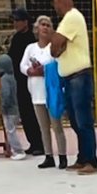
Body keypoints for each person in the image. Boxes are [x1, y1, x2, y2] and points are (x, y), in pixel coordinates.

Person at [50, 0, 97, 174]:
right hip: (71, 78)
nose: (55, 7)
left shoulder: (71, 17)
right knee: (76, 121)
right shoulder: (68, 20)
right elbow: (55, 49)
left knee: (83, 120)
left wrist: (58, 45)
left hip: (79, 76)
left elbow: (54, 45)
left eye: (55, 1)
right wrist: (58, 46)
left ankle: (92, 161)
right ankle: (83, 157)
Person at [21, 15, 67, 168]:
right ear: (37, 28)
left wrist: (45, 70)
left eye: (48, 25)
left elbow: (59, 65)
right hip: (36, 94)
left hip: (51, 93)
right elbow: (22, 65)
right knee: (43, 127)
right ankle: (48, 155)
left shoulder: (52, 48)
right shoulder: (30, 48)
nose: (45, 27)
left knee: (57, 126)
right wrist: (30, 70)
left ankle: (62, 156)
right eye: (42, 25)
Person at [8, 8, 41, 155]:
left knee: (34, 112)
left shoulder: (31, 39)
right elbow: (11, 58)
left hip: (31, 79)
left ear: (25, 22)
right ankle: (32, 143)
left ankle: (40, 143)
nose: (15, 23)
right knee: (25, 113)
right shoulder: (16, 39)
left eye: (17, 20)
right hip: (18, 81)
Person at [0, 54, 26, 160]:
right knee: (12, 130)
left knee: (10, 131)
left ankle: (18, 151)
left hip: (9, 110)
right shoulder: (12, 77)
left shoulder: (4, 79)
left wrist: (4, 106)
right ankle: (16, 150)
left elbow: (6, 93)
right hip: (15, 108)